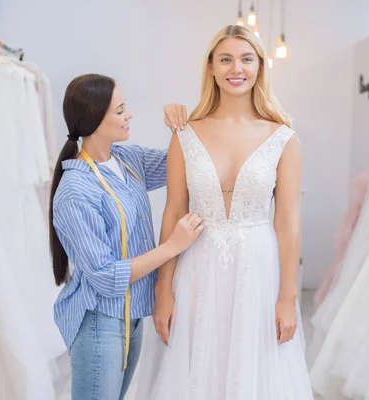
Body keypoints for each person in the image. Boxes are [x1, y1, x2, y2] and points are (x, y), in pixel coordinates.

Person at [133, 25, 314, 399]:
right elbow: (173, 213)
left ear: (260, 67)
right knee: (199, 369)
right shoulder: (185, 133)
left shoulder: (284, 137)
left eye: (247, 59)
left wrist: (287, 298)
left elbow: (288, 222)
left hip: (258, 273)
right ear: (211, 67)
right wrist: (163, 292)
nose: (237, 68)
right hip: (198, 268)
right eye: (227, 59)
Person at [48, 73, 203, 400]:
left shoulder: (128, 161)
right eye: (120, 110)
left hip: (132, 319)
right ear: (94, 118)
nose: (129, 115)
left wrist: (183, 123)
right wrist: (172, 246)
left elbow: (185, 161)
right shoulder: (76, 191)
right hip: (99, 325)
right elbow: (105, 276)